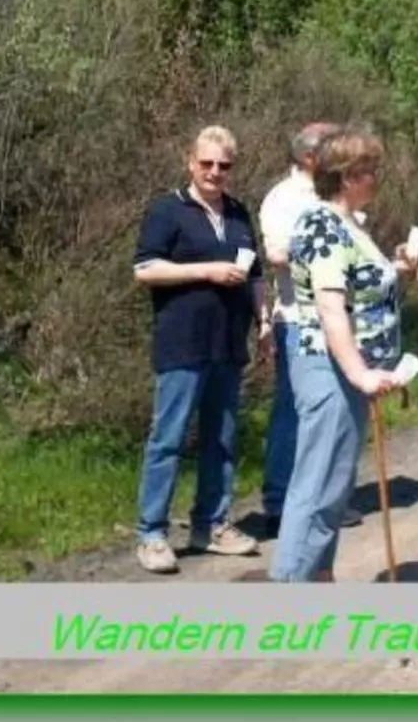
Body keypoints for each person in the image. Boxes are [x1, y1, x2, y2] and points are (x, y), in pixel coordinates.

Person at [270, 126, 418, 582]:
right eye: (370, 169)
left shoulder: (350, 224)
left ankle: (319, 577)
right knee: (317, 483)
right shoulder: (323, 225)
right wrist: (359, 373)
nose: (376, 177)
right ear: (348, 175)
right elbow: (330, 307)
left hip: (345, 369)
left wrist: (397, 268)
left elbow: (359, 287)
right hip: (328, 368)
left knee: (334, 482)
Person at [132, 126, 264, 574]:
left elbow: (255, 274)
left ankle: (211, 523)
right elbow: (145, 269)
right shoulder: (167, 210)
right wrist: (207, 271)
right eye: (206, 163)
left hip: (228, 341)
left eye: (223, 165)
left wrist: (264, 319)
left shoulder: (240, 213)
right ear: (190, 162)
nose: (214, 172)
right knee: (168, 439)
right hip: (182, 342)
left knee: (222, 439)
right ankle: (152, 533)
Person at [256, 122, 363, 539]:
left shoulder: (335, 193)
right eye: (335, 149)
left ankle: (326, 497)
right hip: (300, 321)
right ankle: (279, 501)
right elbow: (276, 253)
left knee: (335, 411)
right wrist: (329, 252)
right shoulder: (283, 198)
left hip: (341, 319)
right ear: (309, 156)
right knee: (294, 413)